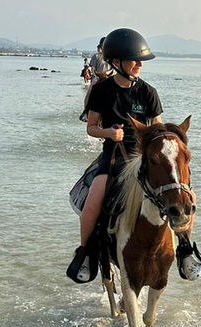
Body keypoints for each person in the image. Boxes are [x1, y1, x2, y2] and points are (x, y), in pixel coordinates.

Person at [67, 28, 162, 283]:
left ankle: (185, 248)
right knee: (94, 202)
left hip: (142, 159)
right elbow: (91, 127)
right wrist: (109, 133)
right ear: (117, 62)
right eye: (135, 60)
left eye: (141, 60)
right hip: (112, 158)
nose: (140, 64)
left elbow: (158, 128)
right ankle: (85, 253)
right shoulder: (102, 91)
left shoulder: (148, 93)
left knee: (181, 194)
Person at [79, 37, 114, 122]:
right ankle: (86, 111)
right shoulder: (97, 56)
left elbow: (114, 68)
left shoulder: (109, 56)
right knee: (91, 90)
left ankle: (87, 111)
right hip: (100, 77)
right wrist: (99, 75)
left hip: (105, 77)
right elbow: (93, 69)